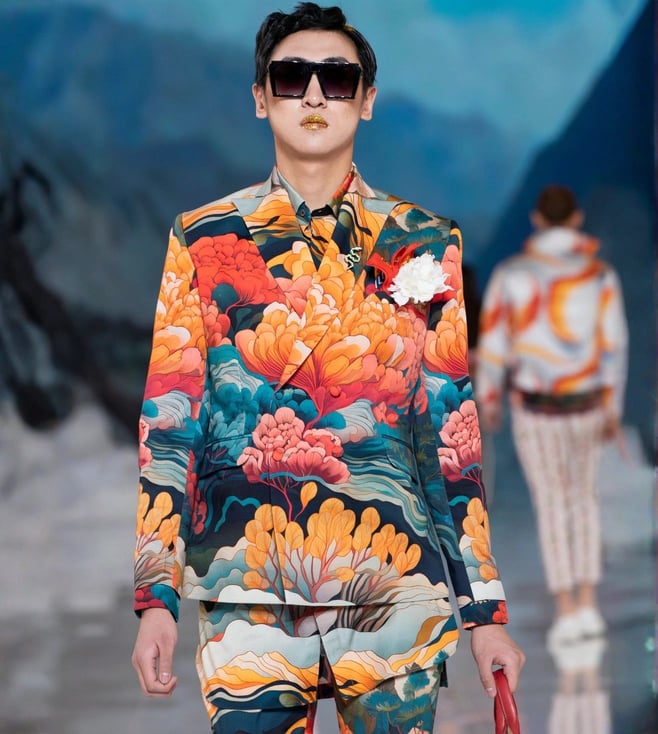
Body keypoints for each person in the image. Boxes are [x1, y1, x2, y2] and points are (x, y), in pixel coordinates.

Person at [131, 4, 524, 732]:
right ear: (261, 97)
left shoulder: (423, 241)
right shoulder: (203, 239)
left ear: (366, 100)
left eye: (337, 79)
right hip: (246, 587)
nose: (314, 94)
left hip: (395, 585)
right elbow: (170, 424)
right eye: (291, 76)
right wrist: (156, 598)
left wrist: (485, 612)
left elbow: (451, 440)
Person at [476, 184, 628, 650]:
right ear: (576, 219)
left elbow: (495, 343)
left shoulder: (513, 274)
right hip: (588, 403)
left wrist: (490, 399)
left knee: (552, 504)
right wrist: (613, 406)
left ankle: (566, 608)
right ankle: (588, 603)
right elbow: (614, 346)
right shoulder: (600, 275)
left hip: (536, 408)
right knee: (584, 499)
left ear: (537, 220)